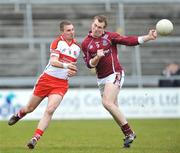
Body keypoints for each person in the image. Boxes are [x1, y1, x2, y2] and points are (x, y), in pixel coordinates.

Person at [81, 15, 157, 148]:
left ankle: (130, 132)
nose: (97, 29)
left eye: (100, 27)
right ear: (91, 24)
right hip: (101, 78)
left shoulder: (110, 37)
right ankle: (128, 135)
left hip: (115, 73)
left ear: (104, 28)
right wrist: (97, 58)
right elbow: (89, 65)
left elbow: (129, 41)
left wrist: (147, 37)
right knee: (113, 107)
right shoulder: (86, 43)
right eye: (95, 26)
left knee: (106, 102)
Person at [8, 20, 80, 149]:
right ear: (62, 32)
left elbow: (72, 68)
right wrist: (66, 65)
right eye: (68, 30)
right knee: (30, 108)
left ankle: (35, 138)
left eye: (73, 29)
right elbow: (53, 61)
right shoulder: (57, 43)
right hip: (46, 80)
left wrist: (72, 72)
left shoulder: (77, 48)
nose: (72, 32)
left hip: (61, 84)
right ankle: (19, 114)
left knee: (50, 109)